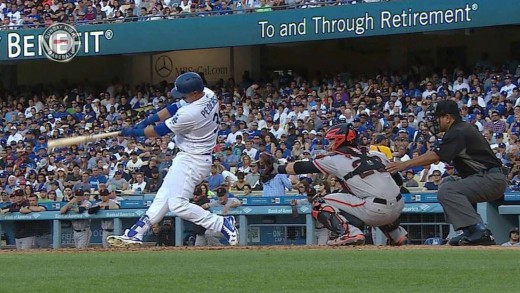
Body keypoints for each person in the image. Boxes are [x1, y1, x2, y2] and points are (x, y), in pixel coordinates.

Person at [107, 72, 238, 247]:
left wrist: (133, 132)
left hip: (194, 159)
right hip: (188, 156)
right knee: (163, 197)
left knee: (177, 205)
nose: (181, 96)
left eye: (184, 93)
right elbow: (174, 107)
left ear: (193, 93)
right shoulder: (207, 93)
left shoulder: (192, 113)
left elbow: (159, 131)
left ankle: (221, 223)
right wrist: (148, 120)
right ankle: (136, 233)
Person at [263, 123, 408, 246]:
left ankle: (350, 233)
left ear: (340, 140)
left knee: (319, 202)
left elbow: (301, 167)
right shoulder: (377, 155)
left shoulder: (335, 159)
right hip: (398, 207)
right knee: (377, 195)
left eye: (332, 140)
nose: (330, 144)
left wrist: (276, 168)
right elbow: (398, 182)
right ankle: (396, 234)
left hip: (374, 211)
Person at [387, 100, 508, 246]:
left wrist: (404, 164)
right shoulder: (460, 129)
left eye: (437, 117)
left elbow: (435, 155)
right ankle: (469, 231)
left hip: (490, 179)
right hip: (486, 177)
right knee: (448, 183)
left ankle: (479, 231)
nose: (434, 121)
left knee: (447, 190)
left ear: (448, 117)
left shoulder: (458, 130)